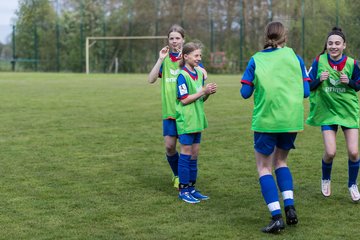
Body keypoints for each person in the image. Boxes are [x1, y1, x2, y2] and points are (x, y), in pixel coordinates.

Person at [240, 21, 310, 233]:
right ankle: (290, 207)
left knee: (264, 167)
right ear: (284, 38)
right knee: (281, 162)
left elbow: (245, 93)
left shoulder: (256, 59)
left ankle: (276, 217)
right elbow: (306, 91)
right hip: (290, 120)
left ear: (266, 37)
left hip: (266, 120)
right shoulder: (295, 57)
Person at [148, 25, 207, 189]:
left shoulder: (189, 59)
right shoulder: (165, 59)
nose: (174, 41)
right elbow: (151, 79)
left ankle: (186, 182)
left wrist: (200, 68)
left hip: (186, 111)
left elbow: (203, 73)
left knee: (190, 149)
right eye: (171, 38)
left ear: (183, 40)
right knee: (169, 147)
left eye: (177, 38)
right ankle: (178, 174)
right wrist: (160, 59)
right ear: (168, 40)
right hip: (169, 111)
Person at [306, 27, 360, 202]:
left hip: (348, 112)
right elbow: (308, 87)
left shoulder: (352, 63)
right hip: (327, 112)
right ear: (326, 45)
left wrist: (350, 82)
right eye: (330, 43)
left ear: (344, 45)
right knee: (330, 152)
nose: (333, 46)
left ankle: (352, 184)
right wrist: (318, 80)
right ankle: (326, 178)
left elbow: (358, 85)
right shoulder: (318, 61)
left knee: (353, 152)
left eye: (337, 43)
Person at [176, 42, 217, 204]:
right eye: (196, 55)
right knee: (186, 154)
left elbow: (200, 98)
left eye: (200, 55)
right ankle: (183, 189)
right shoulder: (182, 75)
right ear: (186, 57)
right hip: (186, 120)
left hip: (197, 119)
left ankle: (192, 188)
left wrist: (208, 93)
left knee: (194, 155)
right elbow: (185, 100)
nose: (199, 58)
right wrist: (202, 91)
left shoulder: (198, 74)